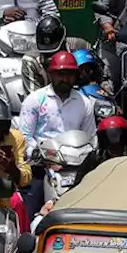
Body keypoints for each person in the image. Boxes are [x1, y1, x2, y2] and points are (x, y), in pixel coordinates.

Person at [17, 51, 94, 219]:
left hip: (74, 168)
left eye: (69, 74)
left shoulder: (84, 103)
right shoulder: (35, 100)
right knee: (28, 213)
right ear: (51, 74)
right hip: (40, 167)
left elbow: (90, 139)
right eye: (60, 74)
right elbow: (24, 136)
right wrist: (41, 157)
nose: (64, 79)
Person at [21, 15, 68, 91]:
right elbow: (34, 100)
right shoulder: (30, 61)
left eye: (53, 52)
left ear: (63, 41)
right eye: (46, 53)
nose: (50, 57)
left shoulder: (78, 50)